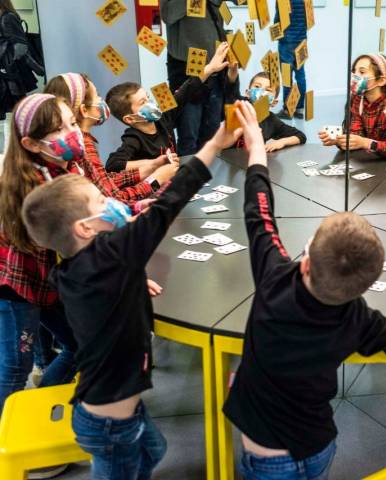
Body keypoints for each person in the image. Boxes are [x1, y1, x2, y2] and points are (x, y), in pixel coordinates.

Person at [20, 105, 244, 480]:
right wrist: (216, 144)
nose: (110, 204)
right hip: (109, 422)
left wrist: (132, 281)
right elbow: (173, 200)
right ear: (86, 228)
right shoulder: (115, 257)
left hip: (111, 406)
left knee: (154, 450)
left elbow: (104, 288)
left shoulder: (76, 270)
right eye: (100, 203)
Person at [222, 102, 386, 479]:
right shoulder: (359, 319)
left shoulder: (274, 281)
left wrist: (256, 151)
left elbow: (258, 213)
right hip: (319, 445)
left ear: (304, 262)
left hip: (269, 458)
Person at [0, 93, 83, 479]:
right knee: (12, 370)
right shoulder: (28, 184)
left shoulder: (57, 166)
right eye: (62, 128)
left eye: (72, 122)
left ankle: (41, 410)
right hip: (16, 290)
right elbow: (68, 235)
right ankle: (13, 443)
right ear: (31, 143)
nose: (74, 132)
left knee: (78, 346)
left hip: (46, 284)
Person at [44, 72, 178, 210]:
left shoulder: (82, 141)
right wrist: (154, 180)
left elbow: (102, 181)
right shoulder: (82, 146)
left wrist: (149, 168)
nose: (101, 100)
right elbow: (112, 200)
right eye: (97, 95)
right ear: (84, 110)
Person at [105, 43, 231, 173]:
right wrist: (153, 163)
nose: (150, 103)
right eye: (143, 102)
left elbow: (187, 90)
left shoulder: (163, 119)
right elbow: (113, 164)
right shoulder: (134, 138)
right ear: (130, 119)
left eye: (148, 97)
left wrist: (210, 68)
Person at [160, 0, 236, 155]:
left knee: (212, 134)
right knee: (189, 136)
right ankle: (187, 178)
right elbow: (168, 15)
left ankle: (207, 176)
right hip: (186, 71)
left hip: (216, 69)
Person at [318, 54, 386, 159]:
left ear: (381, 80)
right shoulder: (358, 100)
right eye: (354, 71)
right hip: (369, 162)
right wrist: (339, 140)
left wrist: (365, 143)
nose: (354, 76)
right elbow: (356, 136)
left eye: (362, 72)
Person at [226, 70, 307, 152]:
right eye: (257, 87)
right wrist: (232, 75)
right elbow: (231, 91)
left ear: (274, 102)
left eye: (268, 90)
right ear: (248, 93)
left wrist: (281, 142)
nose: (261, 92)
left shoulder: (271, 120)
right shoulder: (239, 105)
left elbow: (301, 136)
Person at [0, 0, 44, 122]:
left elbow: (20, 46)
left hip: (11, 72)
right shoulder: (4, 17)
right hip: (7, 72)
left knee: (17, 111)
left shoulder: (7, 17)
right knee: (14, 111)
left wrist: (7, 64)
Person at [275, 0, 308, 120]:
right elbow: (308, 20)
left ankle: (287, 110)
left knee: (286, 77)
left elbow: (278, 20)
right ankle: (299, 109)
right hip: (302, 40)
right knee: (300, 75)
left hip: (286, 42)